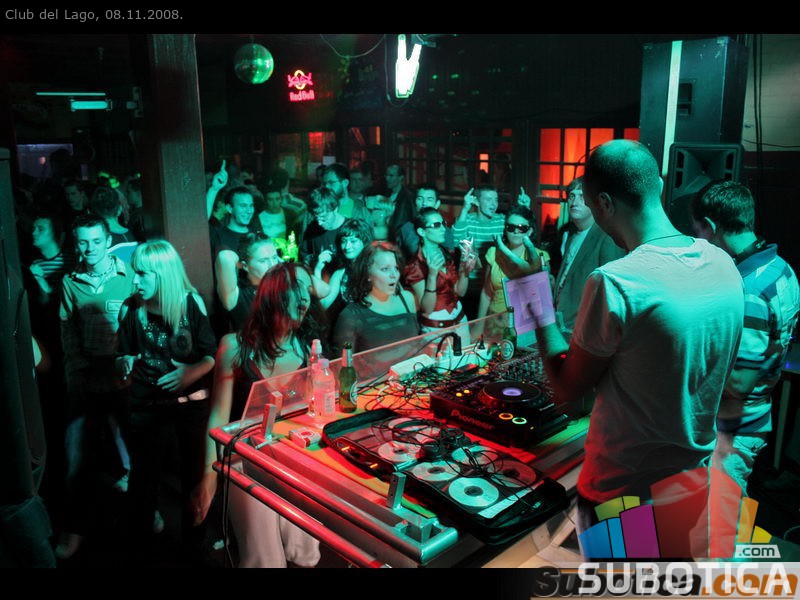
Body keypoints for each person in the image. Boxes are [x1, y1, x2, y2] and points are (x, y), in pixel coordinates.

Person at [528, 140, 744, 546]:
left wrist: (531, 289)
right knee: (667, 577)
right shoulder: (723, 264)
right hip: (693, 483)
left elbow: (567, 391)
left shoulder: (617, 281)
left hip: (623, 494)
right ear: (658, 185)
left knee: (618, 580)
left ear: (604, 204)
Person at [193, 263, 322, 568]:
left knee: (305, 553)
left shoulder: (309, 348)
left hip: (291, 457)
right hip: (245, 460)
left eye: (308, 289)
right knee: (265, 559)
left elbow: (312, 414)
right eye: (296, 287)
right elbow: (218, 417)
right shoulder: (235, 347)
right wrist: (210, 476)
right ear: (273, 293)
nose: (305, 296)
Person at [690, 180, 800, 492]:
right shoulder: (781, 268)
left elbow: (739, 383)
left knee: (718, 518)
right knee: (726, 511)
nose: (698, 242)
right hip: (753, 419)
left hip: (733, 429)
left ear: (711, 226)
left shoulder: (749, 290)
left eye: (698, 233)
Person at [115, 239, 217, 564]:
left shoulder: (190, 303)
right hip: (147, 407)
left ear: (163, 274)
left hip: (190, 405)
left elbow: (211, 354)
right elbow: (123, 352)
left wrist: (191, 372)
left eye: (142, 273)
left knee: (193, 478)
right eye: (135, 273)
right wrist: (124, 362)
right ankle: (143, 549)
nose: (135, 280)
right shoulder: (131, 309)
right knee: (143, 483)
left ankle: (195, 549)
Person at [57, 213, 135, 559]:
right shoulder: (70, 281)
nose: (89, 248)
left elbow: (139, 323)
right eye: (83, 242)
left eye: (96, 241)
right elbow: (67, 329)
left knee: (134, 451)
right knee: (75, 456)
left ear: (108, 240)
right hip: (87, 375)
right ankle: (74, 529)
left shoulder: (128, 275)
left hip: (123, 376)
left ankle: (145, 511)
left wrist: (133, 361)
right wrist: (75, 372)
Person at [553, 177, 626, 336]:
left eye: (581, 196)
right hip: (563, 325)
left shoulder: (607, 237)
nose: (574, 202)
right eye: (571, 196)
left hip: (585, 331)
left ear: (595, 203)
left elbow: (612, 293)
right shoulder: (571, 235)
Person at [403, 207, 474, 346]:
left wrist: (465, 270)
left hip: (460, 320)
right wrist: (432, 275)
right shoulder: (415, 265)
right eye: (436, 225)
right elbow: (427, 308)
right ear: (421, 232)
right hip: (436, 328)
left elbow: (460, 292)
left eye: (443, 223)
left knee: (467, 359)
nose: (443, 229)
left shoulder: (446, 253)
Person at [332, 241, 419, 355]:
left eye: (396, 268)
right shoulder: (350, 316)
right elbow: (343, 363)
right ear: (367, 273)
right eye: (385, 269)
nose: (394, 275)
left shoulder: (407, 299)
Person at [476, 207, 545, 335]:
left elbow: (542, 300)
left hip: (525, 326)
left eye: (521, 228)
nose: (515, 231)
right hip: (495, 323)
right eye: (511, 227)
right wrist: (478, 326)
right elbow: (486, 293)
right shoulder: (493, 253)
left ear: (530, 231)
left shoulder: (541, 257)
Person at [451, 186, 506, 319]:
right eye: (488, 199)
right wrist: (465, 208)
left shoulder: (502, 221)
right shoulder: (468, 220)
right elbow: (456, 240)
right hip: (471, 288)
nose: (493, 204)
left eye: (496, 199)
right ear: (477, 201)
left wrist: (524, 207)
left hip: (494, 289)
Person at [320, 218, 373, 327]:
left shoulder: (375, 268)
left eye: (353, 241)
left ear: (365, 242)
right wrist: (318, 269)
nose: (347, 246)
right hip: (352, 328)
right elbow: (323, 305)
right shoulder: (341, 273)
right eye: (344, 241)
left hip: (375, 326)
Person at [395, 183, 455, 260]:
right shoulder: (407, 227)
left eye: (429, 199)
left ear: (437, 204)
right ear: (415, 202)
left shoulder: (444, 230)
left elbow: (449, 256)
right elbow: (416, 253)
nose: (424, 203)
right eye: (420, 199)